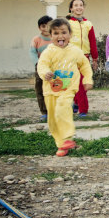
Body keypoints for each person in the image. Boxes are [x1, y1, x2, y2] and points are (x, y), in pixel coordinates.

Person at [37, 18, 93, 157]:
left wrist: (87, 79)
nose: (60, 36)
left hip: (68, 88)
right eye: (56, 33)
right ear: (51, 36)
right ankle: (61, 144)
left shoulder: (75, 51)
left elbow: (85, 65)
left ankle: (68, 137)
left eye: (64, 32)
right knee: (53, 119)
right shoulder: (48, 52)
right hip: (50, 89)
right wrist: (45, 73)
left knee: (63, 107)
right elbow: (41, 65)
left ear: (70, 34)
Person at [66, 0, 98, 118]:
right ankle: (82, 108)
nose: (79, 7)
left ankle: (77, 104)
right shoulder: (67, 23)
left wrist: (95, 59)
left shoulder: (88, 24)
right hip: (71, 55)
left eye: (81, 5)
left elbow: (92, 41)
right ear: (71, 8)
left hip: (84, 56)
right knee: (76, 82)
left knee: (83, 82)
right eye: (76, 5)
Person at [29, 15, 52, 121]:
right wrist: (38, 64)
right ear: (39, 28)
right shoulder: (36, 39)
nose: (46, 28)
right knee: (40, 89)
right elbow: (32, 53)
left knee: (55, 88)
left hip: (54, 68)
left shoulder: (55, 38)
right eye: (43, 26)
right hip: (41, 68)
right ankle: (44, 111)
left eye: (48, 26)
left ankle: (55, 110)